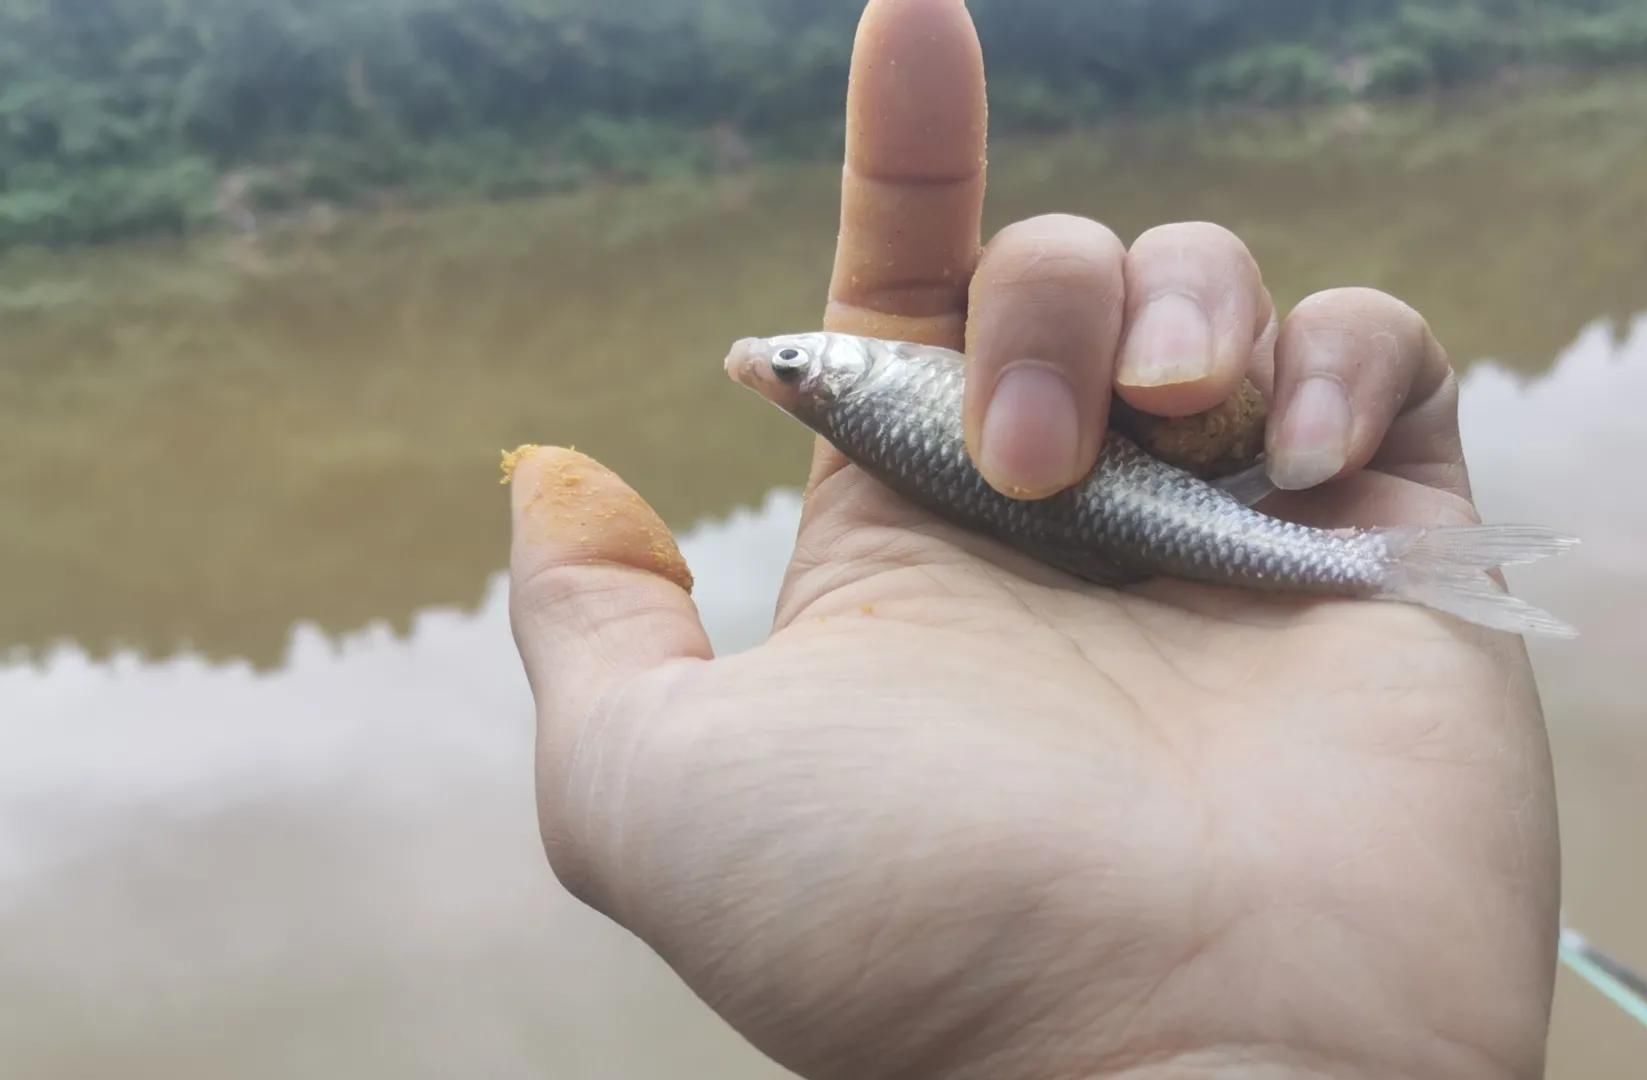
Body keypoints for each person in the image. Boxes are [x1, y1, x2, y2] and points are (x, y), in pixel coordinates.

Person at [502, 1, 1559, 1076]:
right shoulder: (866, 398)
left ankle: (1385, 568)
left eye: (786, 365)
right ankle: (1387, 572)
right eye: (791, 368)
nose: (783, 363)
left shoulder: (865, 389)